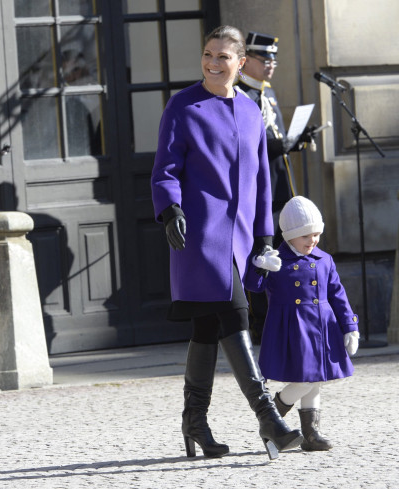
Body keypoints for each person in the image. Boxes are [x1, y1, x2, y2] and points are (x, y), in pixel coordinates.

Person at [150, 25, 303, 460]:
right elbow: (165, 168)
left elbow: (260, 181)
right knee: (235, 316)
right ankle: (268, 419)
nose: (213, 63)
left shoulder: (252, 111)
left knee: (207, 326)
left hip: (240, 240)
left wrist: (265, 236)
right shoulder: (183, 105)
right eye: (208, 54)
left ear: (241, 64)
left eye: (223, 57)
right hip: (199, 236)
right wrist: (170, 210)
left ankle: (194, 422)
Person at [243, 196, 361, 451]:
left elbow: (337, 294)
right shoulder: (277, 260)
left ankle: (311, 434)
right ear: (289, 236)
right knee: (306, 379)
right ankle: (272, 419)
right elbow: (254, 286)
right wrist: (259, 266)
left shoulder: (324, 259)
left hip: (322, 327)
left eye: (316, 234)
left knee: (315, 379)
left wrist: (350, 326)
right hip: (292, 328)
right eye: (306, 235)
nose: (313, 240)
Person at [236, 31, 316, 344]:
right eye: (264, 57)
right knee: (261, 259)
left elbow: (274, 142)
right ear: (246, 61)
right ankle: (261, 326)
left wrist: (294, 143)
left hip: (279, 188)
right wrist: (283, 144)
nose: (271, 63)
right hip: (256, 193)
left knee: (284, 257)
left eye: (274, 57)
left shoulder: (266, 93)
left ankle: (285, 321)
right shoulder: (240, 94)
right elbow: (249, 148)